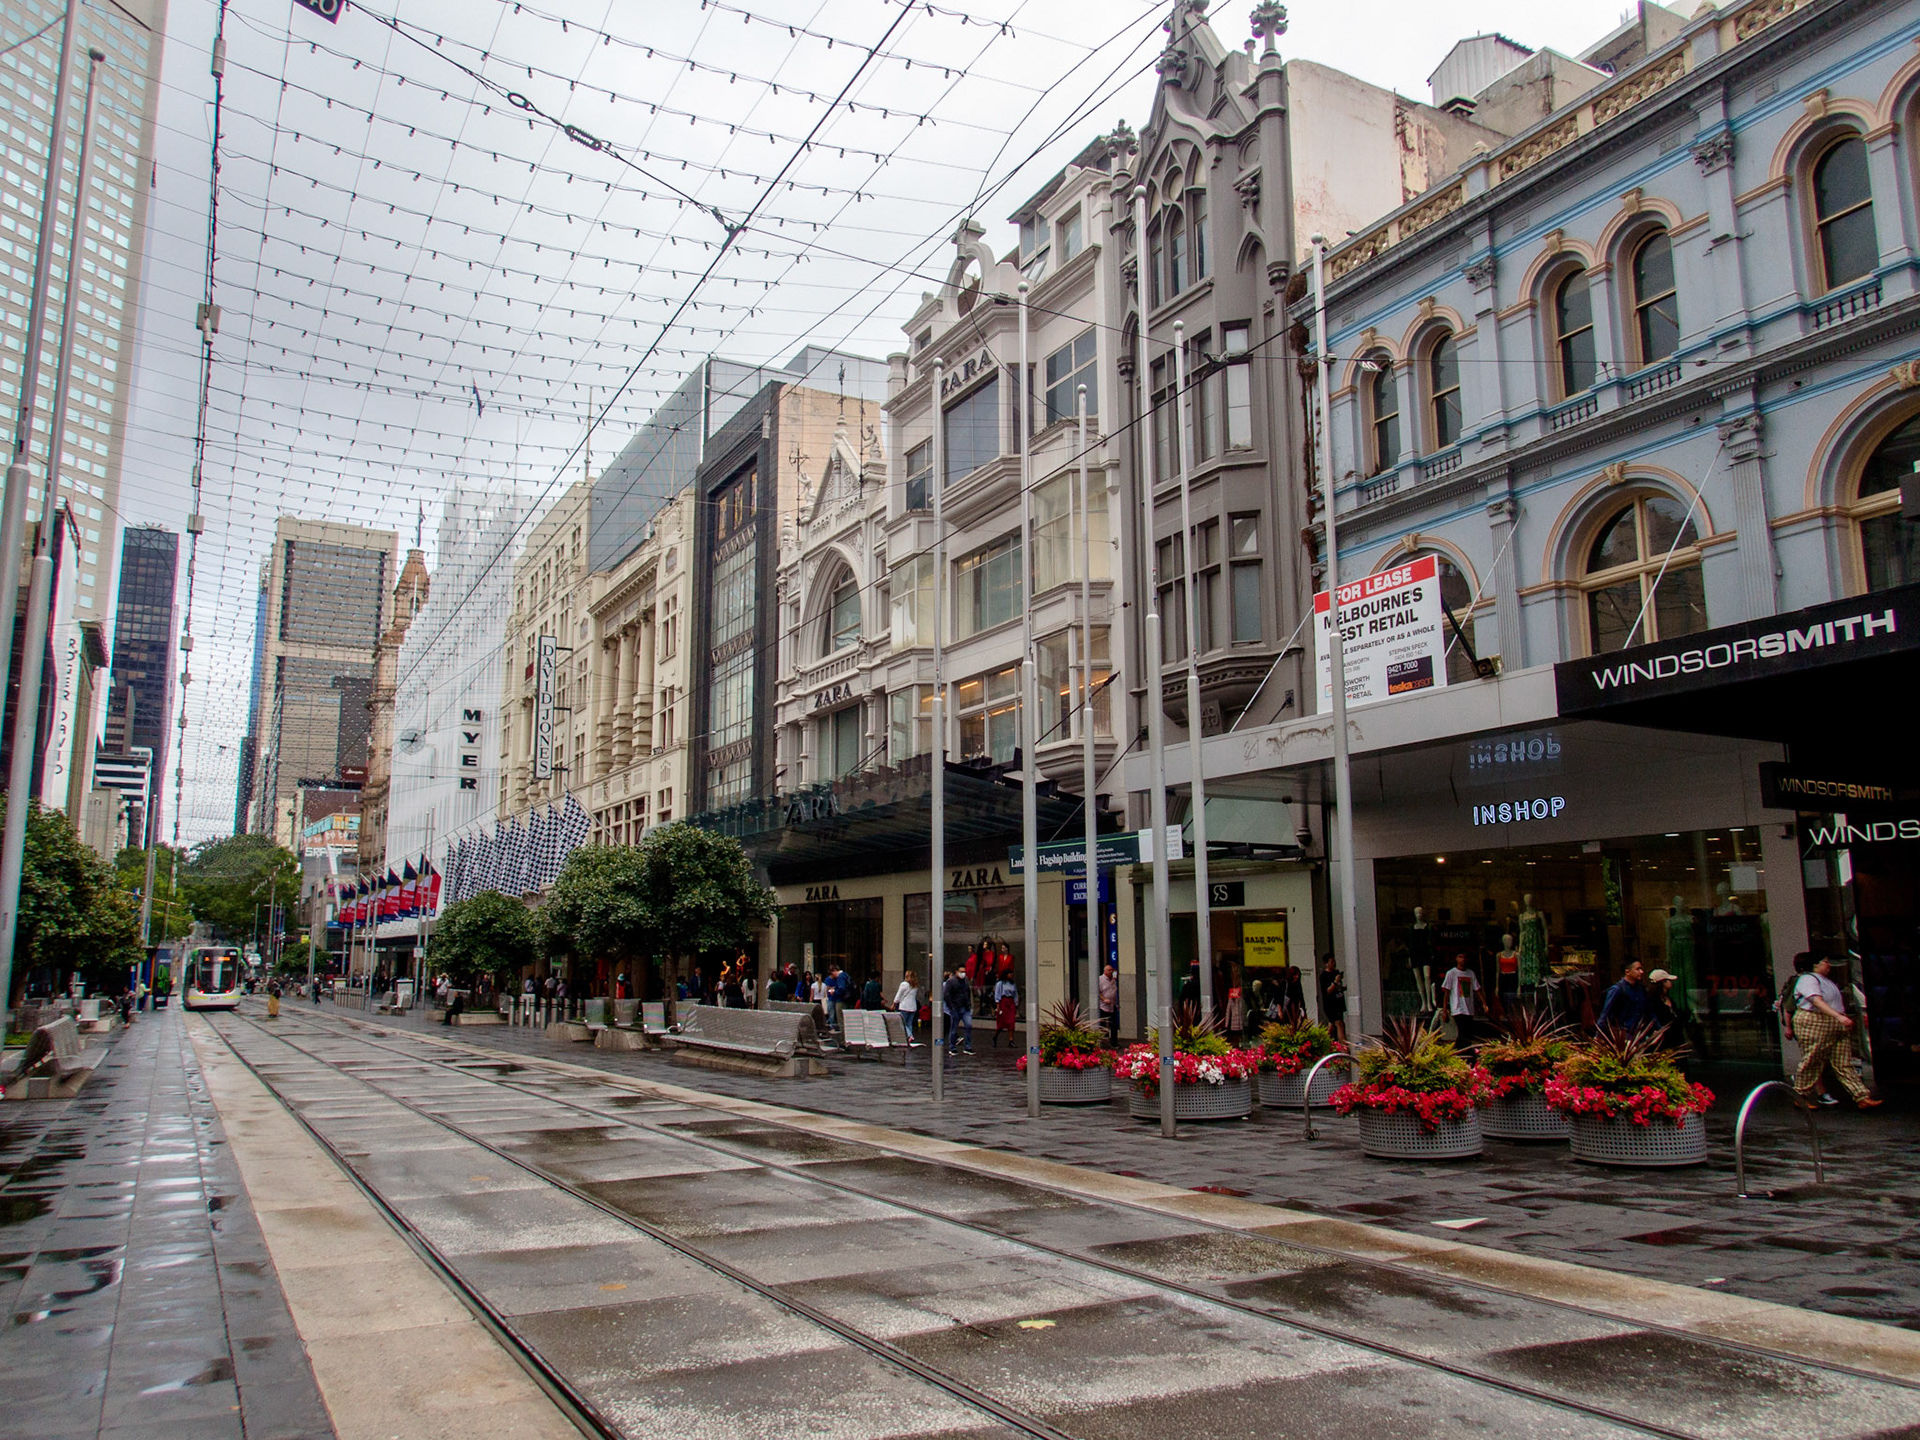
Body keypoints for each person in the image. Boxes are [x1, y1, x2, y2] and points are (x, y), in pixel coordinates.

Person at [1790, 953, 1879, 1109]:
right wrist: (1838, 1017)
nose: (1828, 964)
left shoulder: (1826, 981)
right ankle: (1800, 1095)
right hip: (1816, 1021)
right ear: (1815, 965)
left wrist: (1841, 1019)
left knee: (1843, 1062)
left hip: (1834, 1023)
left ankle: (1861, 1096)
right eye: (1825, 961)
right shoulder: (1808, 979)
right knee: (1813, 1058)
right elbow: (1816, 1001)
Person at [1598, 959, 1650, 1037]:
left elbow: (1649, 1011)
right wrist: (1598, 1035)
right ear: (1627, 972)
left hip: (1640, 1034)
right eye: (1637, 969)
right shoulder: (1617, 989)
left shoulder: (1641, 989)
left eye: (1641, 969)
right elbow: (1606, 1013)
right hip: (1623, 1034)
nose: (1641, 972)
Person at [1441, 954, 1482, 1045]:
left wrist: (1484, 1003)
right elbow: (1446, 992)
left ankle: (1463, 1051)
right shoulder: (1451, 973)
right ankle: (1461, 1051)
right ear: (1456, 959)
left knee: (1467, 1032)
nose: (1463, 959)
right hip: (1458, 1007)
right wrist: (1444, 1010)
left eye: (1464, 957)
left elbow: (1477, 989)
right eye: (1460, 957)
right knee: (1462, 1031)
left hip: (1469, 1008)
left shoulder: (1470, 973)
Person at [943, 968, 974, 1055]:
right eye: (961, 971)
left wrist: (969, 1005)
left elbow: (968, 992)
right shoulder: (951, 981)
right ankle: (952, 1047)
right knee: (953, 1028)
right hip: (956, 1008)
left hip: (965, 1008)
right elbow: (946, 994)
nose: (963, 974)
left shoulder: (966, 981)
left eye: (964, 971)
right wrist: (951, 1007)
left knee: (968, 1025)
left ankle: (968, 1047)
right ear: (956, 972)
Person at [1318, 956, 1348, 1042]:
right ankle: (1344, 1048)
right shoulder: (1324, 976)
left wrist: (1342, 987)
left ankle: (1323, 1043)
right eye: (1331, 962)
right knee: (1340, 1024)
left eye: (1334, 962)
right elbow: (1327, 991)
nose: (1334, 964)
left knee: (1331, 1026)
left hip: (1339, 1002)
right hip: (1331, 1004)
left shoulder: (1336, 972)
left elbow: (1338, 987)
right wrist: (1335, 982)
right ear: (1326, 964)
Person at [1645, 968, 1680, 1039]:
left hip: (1675, 1036)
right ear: (1663, 982)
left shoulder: (1670, 999)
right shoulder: (1652, 1001)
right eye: (1669, 980)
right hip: (1662, 1038)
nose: (1671, 982)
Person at [992, 974, 1019, 1048]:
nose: (1011, 975)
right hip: (1003, 1002)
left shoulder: (1012, 983)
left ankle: (1011, 1040)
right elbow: (997, 994)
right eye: (1010, 974)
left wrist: (1016, 1004)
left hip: (1011, 1002)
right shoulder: (1000, 983)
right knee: (1001, 1022)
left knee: (1011, 1023)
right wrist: (998, 1005)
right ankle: (995, 1036)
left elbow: (1015, 994)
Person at [894, 970, 921, 1044]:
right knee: (909, 1024)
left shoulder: (904, 984)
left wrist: (894, 1003)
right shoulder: (915, 985)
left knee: (902, 1023)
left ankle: (909, 1036)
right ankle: (909, 1038)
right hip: (913, 1007)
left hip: (904, 1006)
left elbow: (898, 995)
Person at [1097, 963, 1119, 1044]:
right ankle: (1102, 1042)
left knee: (1114, 1025)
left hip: (1112, 1006)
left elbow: (1114, 992)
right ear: (1105, 971)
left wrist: (1116, 1004)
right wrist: (1104, 999)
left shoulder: (1113, 980)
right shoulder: (1100, 980)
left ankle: (1114, 1042)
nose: (1111, 972)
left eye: (1111, 970)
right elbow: (1098, 992)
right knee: (1102, 1025)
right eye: (1109, 970)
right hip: (1103, 1007)